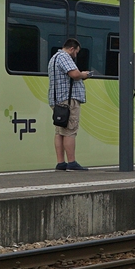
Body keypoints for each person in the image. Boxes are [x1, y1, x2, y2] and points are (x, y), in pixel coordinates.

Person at [48, 37, 92, 171]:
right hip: (68, 100)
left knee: (59, 131)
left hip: (57, 100)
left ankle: (61, 162)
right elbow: (74, 74)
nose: (76, 55)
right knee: (70, 131)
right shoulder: (64, 57)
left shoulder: (54, 58)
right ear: (72, 49)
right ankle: (72, 162)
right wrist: (84, 74)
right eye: (76, 52)